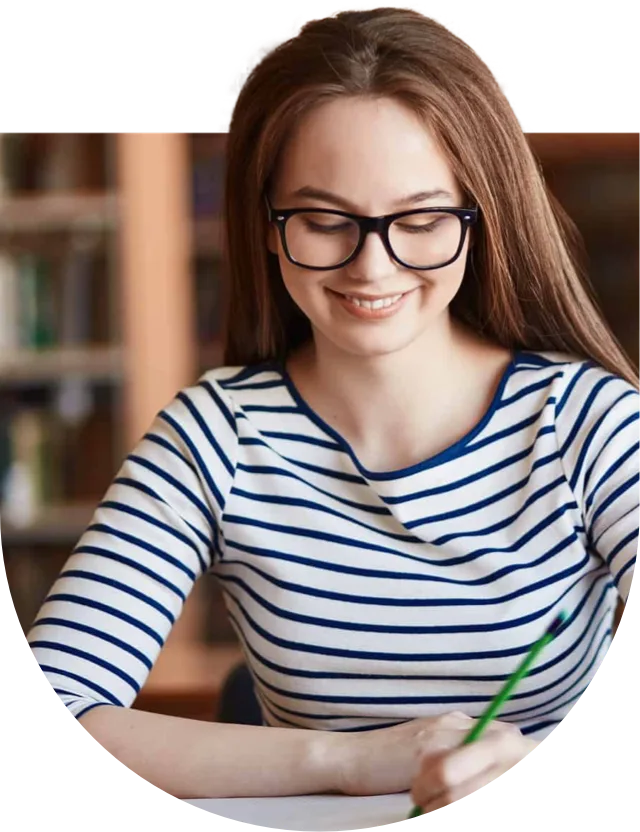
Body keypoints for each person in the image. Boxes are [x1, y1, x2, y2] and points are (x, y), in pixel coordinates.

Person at [25, 4, 639, 816]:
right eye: (324, 220)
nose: (372, 266)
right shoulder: (215, 435)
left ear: (478, 219)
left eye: (419, 220)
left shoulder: (589, 424)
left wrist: (543, 770)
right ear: (269, 225)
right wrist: (350, 760)